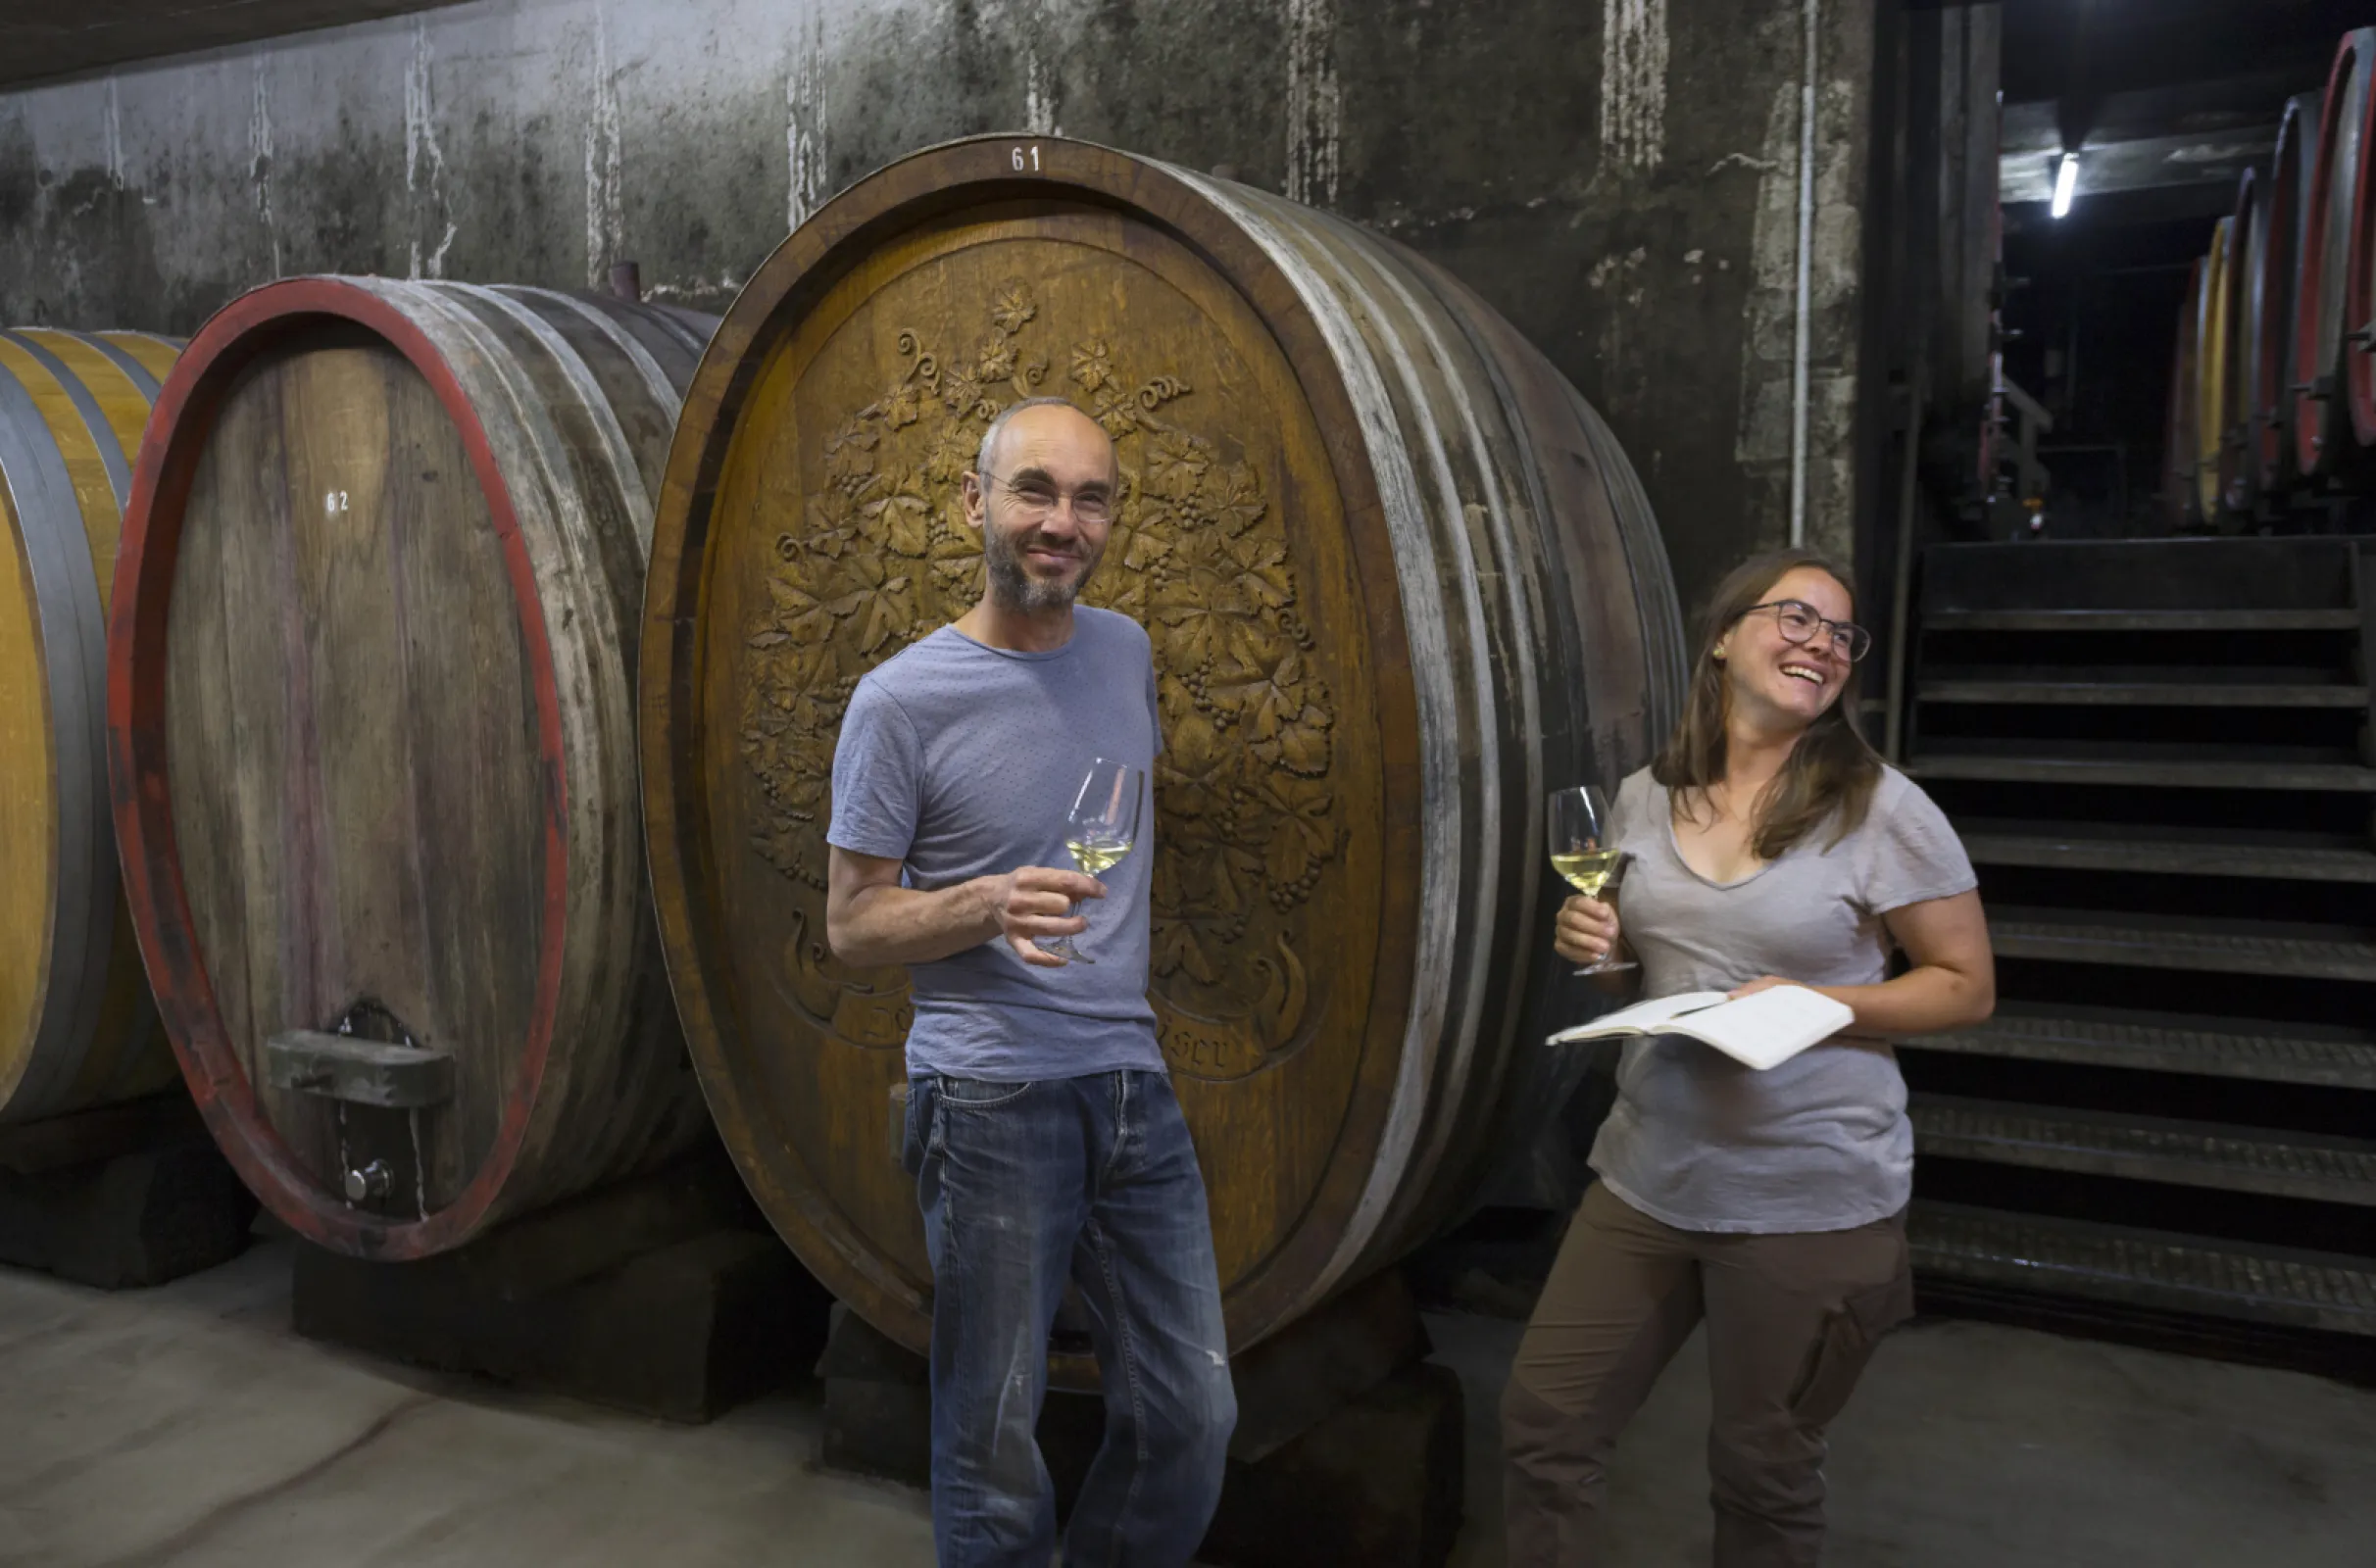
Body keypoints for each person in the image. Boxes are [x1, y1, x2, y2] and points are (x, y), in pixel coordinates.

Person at [1501, 548, 1996, 1567]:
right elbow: (1646, 974)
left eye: (1841, 634)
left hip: (1809, 1199)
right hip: (1648, 1177)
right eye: (1796, 618)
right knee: (1546, 1428)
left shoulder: (1883, 809)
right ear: (1723, 636)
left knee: (1762, 1475)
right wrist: (1606, 957)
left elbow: (1964, 985)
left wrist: (1825, 1004)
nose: (1821, 643)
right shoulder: (1647, 794)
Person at [824, 396, 1235, 1567]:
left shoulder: (1126, 649)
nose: (1063, 520)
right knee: (994, 1442)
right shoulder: (900, 703)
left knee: (1191, 1416)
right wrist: (983, 903)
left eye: (1090, 497)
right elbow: (853, 927)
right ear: (975, 504)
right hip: (990, 1097)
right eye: (1036, 491)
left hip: (1129, 1085)